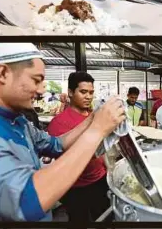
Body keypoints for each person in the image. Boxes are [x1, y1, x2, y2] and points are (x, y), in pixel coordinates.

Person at [0, 43, 126, 222]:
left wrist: (94, 117)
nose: (42, 90)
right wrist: (97, 130)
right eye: (36, 80)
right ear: (3, 74)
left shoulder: (20, 121)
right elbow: (25, 203)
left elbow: (55, 145)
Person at [47, 72, 109, 222]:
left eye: (91, 92)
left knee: (105, 218)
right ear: (70, 92)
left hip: (100, 180)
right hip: (76, 187)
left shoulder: (92, 116)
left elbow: (103, 148)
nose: (88, 96)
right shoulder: (59, 123)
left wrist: (109, 169)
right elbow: (62, 156)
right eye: (83, 92)